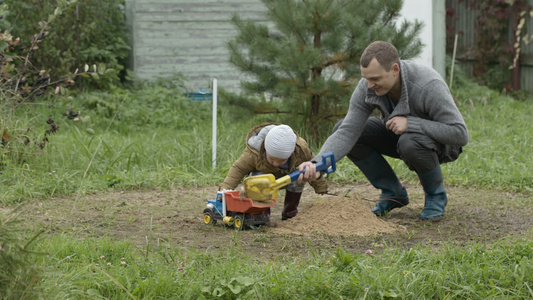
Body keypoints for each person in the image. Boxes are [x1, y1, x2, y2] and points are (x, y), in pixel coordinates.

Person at [298, 41, 468, 220]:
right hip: (400, 136)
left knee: (409, 142)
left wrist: (410, 124)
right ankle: (393, 193)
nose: (369, 85)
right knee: (342, 127)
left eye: (375, 79)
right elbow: (348, 131)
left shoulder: (427, 85)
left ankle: (435, 195)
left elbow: (459, 133)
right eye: (366, 78)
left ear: (395, 69)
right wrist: (317, 164)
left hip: (439, 144)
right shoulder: (368, 86)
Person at [219, 122, 328, 220]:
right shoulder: (253, 152)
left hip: (287, 178)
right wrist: (225, 189)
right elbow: (239, 168)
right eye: (271, 159)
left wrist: (320, 186)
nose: (276, 163)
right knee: (256, 178)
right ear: (265, 149)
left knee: (299, 177)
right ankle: (262, 212)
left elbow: (313, 167)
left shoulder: (301, 150)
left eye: (281, 161)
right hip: (263, 180)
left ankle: (290, 211)